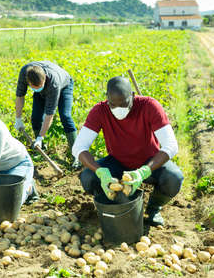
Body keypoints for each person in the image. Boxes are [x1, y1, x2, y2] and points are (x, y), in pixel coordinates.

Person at [72, 76, 184, 226]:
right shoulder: (100, 110)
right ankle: (113, 203)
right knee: (88, 176)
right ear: (107, 99)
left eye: (124, 104)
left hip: (148, 161)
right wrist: (101, 172)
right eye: (113, 105)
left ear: (132, 95)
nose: (119, 109)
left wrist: (144, 171)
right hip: (118, 162)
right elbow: (79, 147)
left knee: (174, 178)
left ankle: (153, 208)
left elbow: (171, 145)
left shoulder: (149, 106)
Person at [14, 61, 80, 169]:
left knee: (65, 116)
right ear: (28, 82)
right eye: (34, 87)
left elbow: (49, 114)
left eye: (39, 86)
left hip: (64, 86)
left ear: (44, 78)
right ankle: (40, 149)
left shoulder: (53, 83)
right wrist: (18, 118)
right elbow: (20, 96)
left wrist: (41, 137)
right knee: (35, 117)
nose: (37, 89)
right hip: (44, 86)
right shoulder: (24, 73)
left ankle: (76, 155)